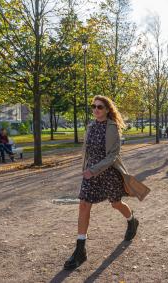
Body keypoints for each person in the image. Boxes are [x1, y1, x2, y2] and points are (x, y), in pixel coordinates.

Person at [64, 95, 149, 270]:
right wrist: (86, 169)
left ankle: (132, 220)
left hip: (108, 173)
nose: (96, 110)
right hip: (90, 174)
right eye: (93, 106)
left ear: (108, 109)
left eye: (100, 107)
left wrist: (93, 170)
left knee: (116, 204)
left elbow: (113, 156)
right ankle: (80, 251)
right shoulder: (91, 126)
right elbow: (86, 151)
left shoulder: (113, 127)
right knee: (83, 205)